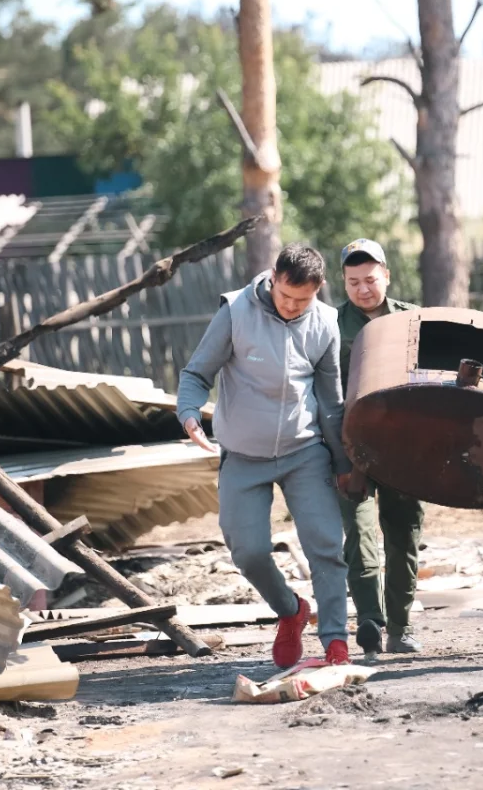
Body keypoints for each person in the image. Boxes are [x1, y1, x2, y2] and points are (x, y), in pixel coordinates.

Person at [176, 244, 354, 669]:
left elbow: (331, 401)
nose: (293, 307)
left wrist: (345, 463)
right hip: (242, 454)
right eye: (286, 296)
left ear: (319, 290)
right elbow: (196, 373)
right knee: (248, 551)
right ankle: (291, 611)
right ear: (273, 277)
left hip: (305, 450)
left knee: (327, 546)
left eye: (303, 300)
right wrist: (188, 414)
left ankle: (335, 643)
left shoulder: (326, 323)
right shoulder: (236, 311)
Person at [336, 238, 426, 656]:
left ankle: (400, 628)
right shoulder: (330, 326)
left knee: (404, 534)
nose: (363, 289)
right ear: (343, 283)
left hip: (403, 447)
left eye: (370, 279)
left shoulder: (414, 321)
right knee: (358, 532)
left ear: (386, 275)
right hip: (349, 446)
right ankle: (371, 619)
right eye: (354, 281)